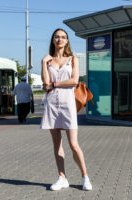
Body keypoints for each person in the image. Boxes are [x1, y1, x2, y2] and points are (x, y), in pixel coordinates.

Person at [40, 28, 92, 191]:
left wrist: (55, 84)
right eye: (57, 37)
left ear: (67, 41)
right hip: (52, 104)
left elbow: (74, 81)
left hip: (68, 103)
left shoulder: (73, 59)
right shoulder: (48, 61)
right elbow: (45, 83)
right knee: (57, 144)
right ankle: (62, 177)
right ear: (53, 40)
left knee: (73, 144)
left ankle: (85, 176)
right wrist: (43, 63)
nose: (60, 39)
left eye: (63, 37)